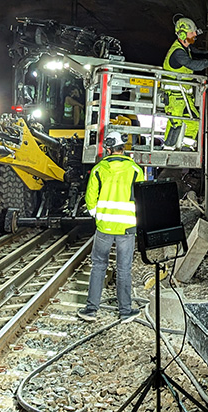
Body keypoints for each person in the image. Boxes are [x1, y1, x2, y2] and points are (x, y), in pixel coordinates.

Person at [79, 131, 146, 322]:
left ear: (109, 149)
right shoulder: (135, 170)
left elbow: (90, 198)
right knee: (124, 269)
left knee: (98, 266)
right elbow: (143, 197)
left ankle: (91, 310)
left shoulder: (99, 170)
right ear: (122, 149)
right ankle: (125, 311)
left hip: (104, 227)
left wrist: (98, 216)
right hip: (127, 228)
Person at [162, 16, 208, 150]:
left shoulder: (185, 48)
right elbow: (192, 64)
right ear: (182, 34)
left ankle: (185, 148)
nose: (195, 35)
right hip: (175, 97)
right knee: (176, 123)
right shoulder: (178, 52)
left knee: (193, 120)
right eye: (192, 33)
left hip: (181, 94)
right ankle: (168, 149)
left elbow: (198, 54)